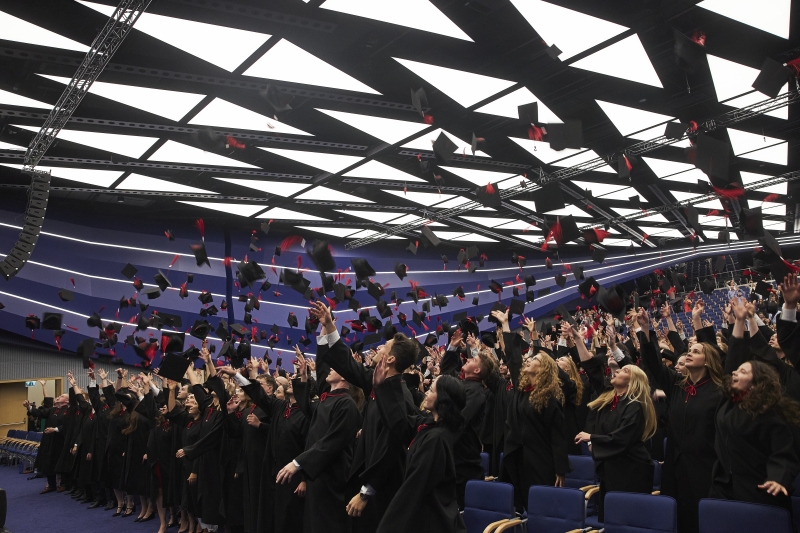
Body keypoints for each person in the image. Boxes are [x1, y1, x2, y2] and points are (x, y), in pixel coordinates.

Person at [309, 300, 419, 532]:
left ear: (390, 359)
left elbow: (388, 450)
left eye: (385, 347)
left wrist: (366, 492)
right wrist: (329, 327)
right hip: (368, 484)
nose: (379, 348)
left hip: (383, 489)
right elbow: (348, 365)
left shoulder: (400, 398)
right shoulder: (378, 382)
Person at [639, 307, 724, 533]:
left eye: (695, 351)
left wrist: (696, 320)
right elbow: (654, 365)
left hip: (705, 469)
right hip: (676, 469)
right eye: (689, 350)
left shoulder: (719, 391)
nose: (688, 353)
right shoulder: (678, 385)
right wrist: (646, 329)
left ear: (708, 361)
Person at [569, 320, 657, 522]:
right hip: (612, 468)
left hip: (632, 471)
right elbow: (591, 369)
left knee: (629, 520)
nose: (616, 372)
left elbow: (623, 437)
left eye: (624, 371)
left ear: (633, 380)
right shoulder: (610, 399)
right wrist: (577, 339)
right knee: (611, 519)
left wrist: (592, 437)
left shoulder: (635, 405)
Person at [275, 330, 361, 533]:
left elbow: (331, 443)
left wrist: (298, 463)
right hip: (319, 479)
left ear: (347, 376)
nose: (329, 369)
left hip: (333, 481)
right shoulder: (327, 399)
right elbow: (306, 406)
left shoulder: (346, 405)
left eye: (336, 367)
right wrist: (304, 376)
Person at [372, 361, 466, 533]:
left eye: (432, 390)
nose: (427, 393)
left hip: (434, 521)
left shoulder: (436, 439)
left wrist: (386, 527)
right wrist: (381, 387)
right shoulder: (431, 425)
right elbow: (400, 422)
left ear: (442, 398)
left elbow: (413, 487)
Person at [493, 309, 569, 511]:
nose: (528, 360)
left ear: (544, 368)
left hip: (541, 460)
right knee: (521, 505)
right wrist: (506, 325)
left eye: (534, 359)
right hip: (518, 457)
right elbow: (513, 358)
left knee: (541, 508)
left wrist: (560, 469)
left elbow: (557, 435)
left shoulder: (549, 397)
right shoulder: (522, 389)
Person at [711, 359, 800, 512]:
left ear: (756, 383)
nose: (734, 372)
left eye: (743, 371)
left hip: (758, 489)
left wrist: (778, 478)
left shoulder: (769, 413)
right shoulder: (730, 403)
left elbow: (784, 452)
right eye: (736, 370)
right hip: (724, 487)